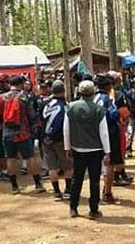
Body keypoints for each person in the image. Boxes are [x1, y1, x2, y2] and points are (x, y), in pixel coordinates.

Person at [64, 80, 111, 219]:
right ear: (93, 93)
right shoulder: (99, 110)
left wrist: (67, 147)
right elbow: (104, 133)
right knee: (94, 181)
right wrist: (107, 152)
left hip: (77, 149)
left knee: (76, 179)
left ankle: (73, 208)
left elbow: (66, 130)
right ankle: (93, 210)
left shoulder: (70, 108)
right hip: (95, 150)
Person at [0, 75, 45, 194]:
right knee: (30, 157)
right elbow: (31, 115)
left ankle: (14, 187)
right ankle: (38, 184)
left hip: (7, 132)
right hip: (23, 133)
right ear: (20, 84)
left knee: (10, 158)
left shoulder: (1, 98)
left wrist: (4, 126)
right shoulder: (24, 97)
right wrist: (33, 128)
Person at [94, 74, 128, 205]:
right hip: (109, 133)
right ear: (108, 86)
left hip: (93, 133)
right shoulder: (110, 98)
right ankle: (107, 193)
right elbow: (114, 115)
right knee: (110, 163)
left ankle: (98, 191)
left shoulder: (91, 97)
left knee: (97, 163)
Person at [42, 80, 73, 201]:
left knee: (52, 167)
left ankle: (56, 192)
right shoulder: (66, 106)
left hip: (46, 139)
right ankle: (68, 190)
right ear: (64, 91)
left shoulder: (46, 105)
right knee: (67, 166)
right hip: (61, 140)